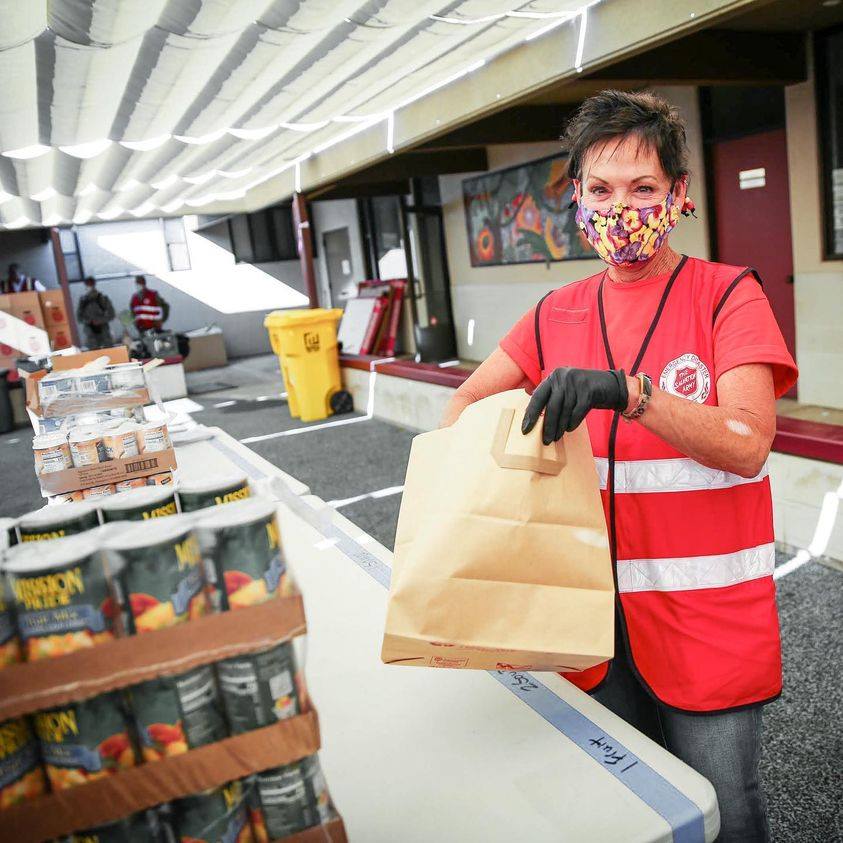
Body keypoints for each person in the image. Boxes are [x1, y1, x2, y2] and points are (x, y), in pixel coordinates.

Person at [441, 90, 797, 843]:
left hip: (702, 619)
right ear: (576, 197)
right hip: (587, 620)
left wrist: (631, 394)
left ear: (678, 193)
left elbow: (747, 441)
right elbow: (463, 408)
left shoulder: (727, 295)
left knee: (726, 809)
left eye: (642, 187)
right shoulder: (555, 312)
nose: (620, 208)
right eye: (600, 190)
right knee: (633, 811)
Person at [76, 276, 115, 349]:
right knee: (94, 352)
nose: (89, 286)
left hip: (104, 331)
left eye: (91, 284)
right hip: (90, 333)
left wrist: (100, 320)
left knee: (108, 350)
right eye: (87, 284)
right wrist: (89, 321)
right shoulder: (83, 300)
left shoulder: (103, 298)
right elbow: (79, 318)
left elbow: (112, 315)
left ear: (94, 284)